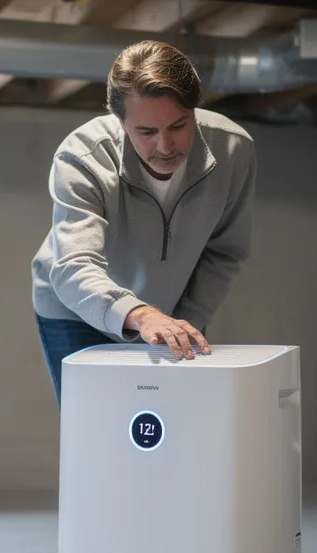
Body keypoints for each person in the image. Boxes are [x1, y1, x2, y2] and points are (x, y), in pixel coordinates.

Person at [30, 40, 258, 405]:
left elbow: (224, 253)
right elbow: (73, 267)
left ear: (194, 110)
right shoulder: (81, 157)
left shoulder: (234, 150)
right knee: (95, 433)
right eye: (147, 133)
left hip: (168, 313)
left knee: (174, 426)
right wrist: (138, 313)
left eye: (178, 125)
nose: (166, 145)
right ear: (121, 123)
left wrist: (188, 320)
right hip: (76, 312)